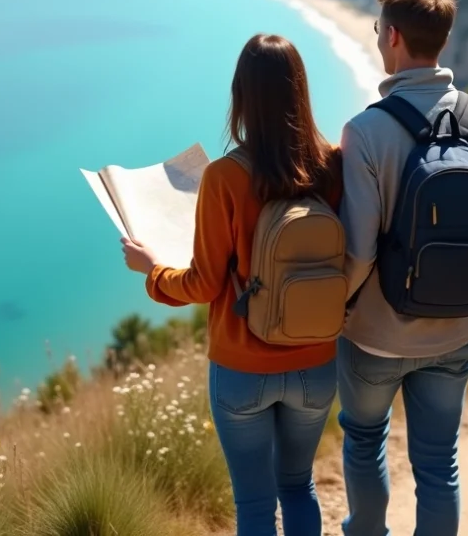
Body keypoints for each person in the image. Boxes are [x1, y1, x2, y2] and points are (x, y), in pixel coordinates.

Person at [122, 33, 344, 536]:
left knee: (254, 503)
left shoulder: (224, 176)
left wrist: (152, 271)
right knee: (299, 486)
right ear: (300, 90)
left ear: (241, 95)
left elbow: (203, 285)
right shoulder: (332, 164)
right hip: (315, 360)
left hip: (242, 367)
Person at [335, 0, 468, 536]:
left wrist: (337, 309)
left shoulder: (365, 131)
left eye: (377, 29)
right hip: (454, 331)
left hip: (375, 334)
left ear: (392, 36)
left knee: (365, 441)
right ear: (443, 38)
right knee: (439, 463)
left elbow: (360, 251)